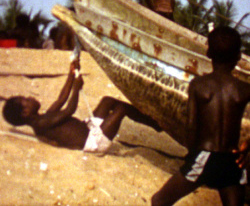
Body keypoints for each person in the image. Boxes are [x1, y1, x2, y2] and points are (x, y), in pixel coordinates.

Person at [151, 26, 250, 206]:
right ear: (238, 57)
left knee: (159, 201)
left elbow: (191, 128)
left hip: (205, 157)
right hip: (232, 161)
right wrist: (248, 144)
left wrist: (190, 158)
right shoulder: (244, 89)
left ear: (208, 53)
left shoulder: (199, 85)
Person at [2, 60, 162, 152]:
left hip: (89, 128)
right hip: (93, 141)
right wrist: (77, 88)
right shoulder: (41, 123)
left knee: (107, 100)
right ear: (25, 112)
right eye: (26, 99)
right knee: (122, 109)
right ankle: (155, 123)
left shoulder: (42, 118)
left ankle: (152, 122)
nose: (30, 97)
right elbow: (69, 110)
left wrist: (71, 75)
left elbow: (61, 99)